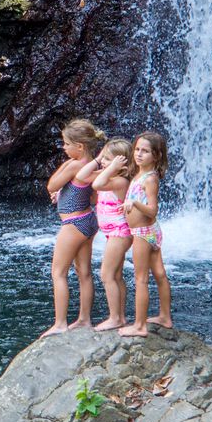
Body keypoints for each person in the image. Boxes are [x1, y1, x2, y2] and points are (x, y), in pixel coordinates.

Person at [42, 118, 106, 337]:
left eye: (66, 144)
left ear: (79, 147)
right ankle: (84, 319)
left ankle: (60, 323)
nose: (63, 147)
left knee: (58, 272)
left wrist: (65, 171)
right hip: (88, 219)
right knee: (84, 272)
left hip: (73, 223)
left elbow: (51, 184)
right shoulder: (90, 167)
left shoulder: (76, 165)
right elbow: (93, 195)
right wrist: (64, 195)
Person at [120, 131, 170, 338]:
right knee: (159, 274)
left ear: (156, 156)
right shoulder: (139, 175)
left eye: (145, 151)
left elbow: (152, 210)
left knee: (141, 278)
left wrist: (135, 204)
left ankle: (140, 326)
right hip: (149, 231)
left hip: (143, 233)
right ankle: (165, 316)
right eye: (137, 150)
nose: (139, 154)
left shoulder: (150, 179)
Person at [89, 138, 134, 332]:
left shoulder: (120, 181)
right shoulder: (112, 178)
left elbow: (97, 184)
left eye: (107, 159)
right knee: (115, 275)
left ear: (120, 163)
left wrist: (111, 167)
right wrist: (103, 162)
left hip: (119, 232)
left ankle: (115, 317)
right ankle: (120, 317)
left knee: (106, 275)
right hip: (114, 233)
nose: (103, 163)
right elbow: (86, 176)